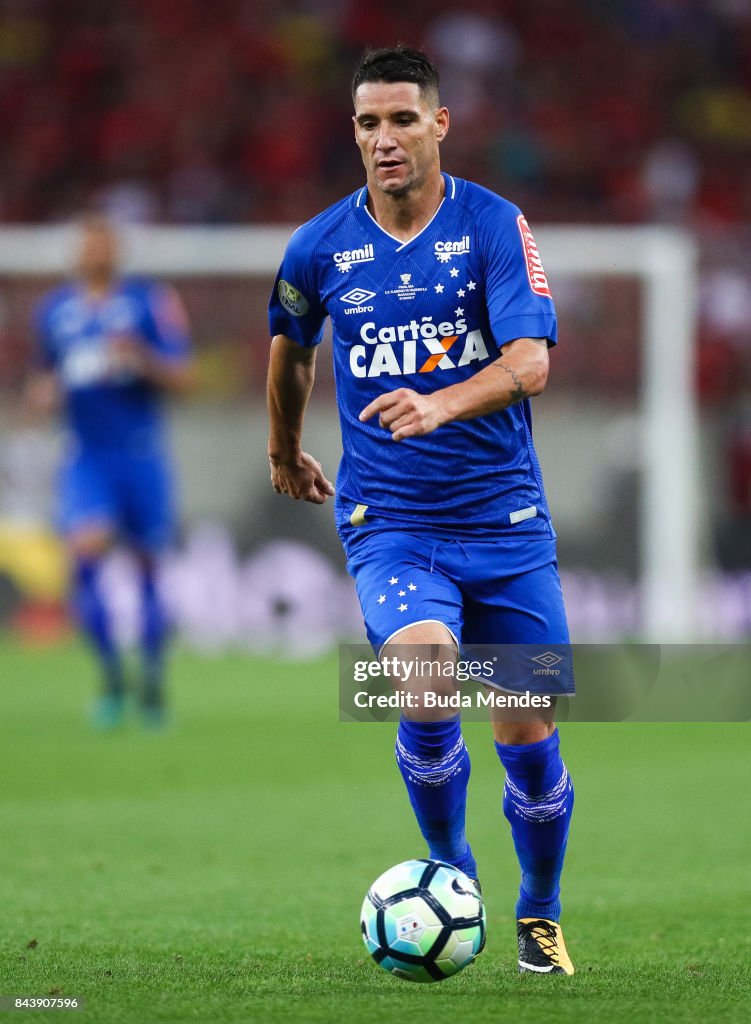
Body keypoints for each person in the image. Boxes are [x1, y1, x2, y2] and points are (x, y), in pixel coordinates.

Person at [267, 47, 575, 975]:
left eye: (402, 119)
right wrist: (283, 450)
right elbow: (290, 351)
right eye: (367, 123)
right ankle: (450, 870)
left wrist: (440, 400)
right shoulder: (319, 246)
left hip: (505, 523)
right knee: (425, 679)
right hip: (389, 521)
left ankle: (539, 912)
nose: (384, 138)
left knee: (527, 729)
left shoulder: (492, 224)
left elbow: (532, 362)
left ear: (439, 124)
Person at [27, 215, 195, 728]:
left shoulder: (149, 301)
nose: (95, 252)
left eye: (104, 244)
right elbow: (40, 381)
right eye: (87, 244)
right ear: (77, 253)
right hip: (87, 457)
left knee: (148, 568)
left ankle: (150, 684)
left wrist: (142, 358)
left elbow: (184, 377)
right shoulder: (54, 311)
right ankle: (112, 680)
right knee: (86, 557)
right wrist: (42, 393)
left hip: (141, 454)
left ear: (117, 252)